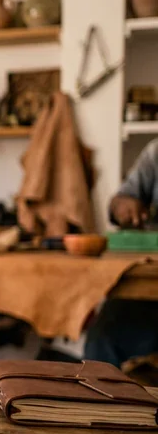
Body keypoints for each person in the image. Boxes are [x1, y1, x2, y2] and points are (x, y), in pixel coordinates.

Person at [84, 138, 158, 368]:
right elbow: (119, 203)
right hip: (150, 286)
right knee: (102, 339)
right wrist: (123, 206)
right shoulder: (156, 152)